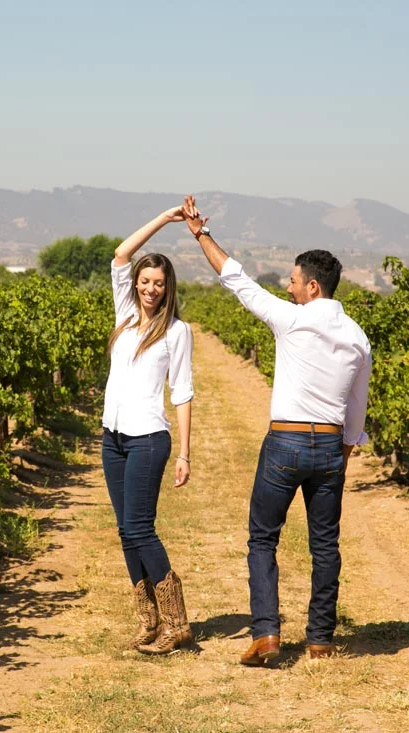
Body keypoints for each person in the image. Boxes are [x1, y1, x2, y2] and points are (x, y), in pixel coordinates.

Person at [182, 195, 371, 666]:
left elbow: (237, 280)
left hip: (285, 442)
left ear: (311, 286)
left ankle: (267, 634)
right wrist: (345, 448)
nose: (287, 289)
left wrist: (201, 234)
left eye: (291, 282)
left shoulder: (292, 319)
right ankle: (321, 640)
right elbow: (357, 404)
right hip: (329, 445)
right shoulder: (357, 336)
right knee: (325, 544)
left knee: (263, 538)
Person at [102, 205, 195, 655]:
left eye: (159, 283)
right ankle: (149, 621)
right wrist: (165, 218)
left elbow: (183, 392)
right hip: (113, 438)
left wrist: (185, 453)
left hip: (148, 439)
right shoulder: (124, 313)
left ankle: (177, 624)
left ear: (168, 287)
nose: (150, 289)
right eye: (145, 281)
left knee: (140, 528)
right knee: (125, 531)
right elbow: (121, 253)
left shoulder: (177, 331)